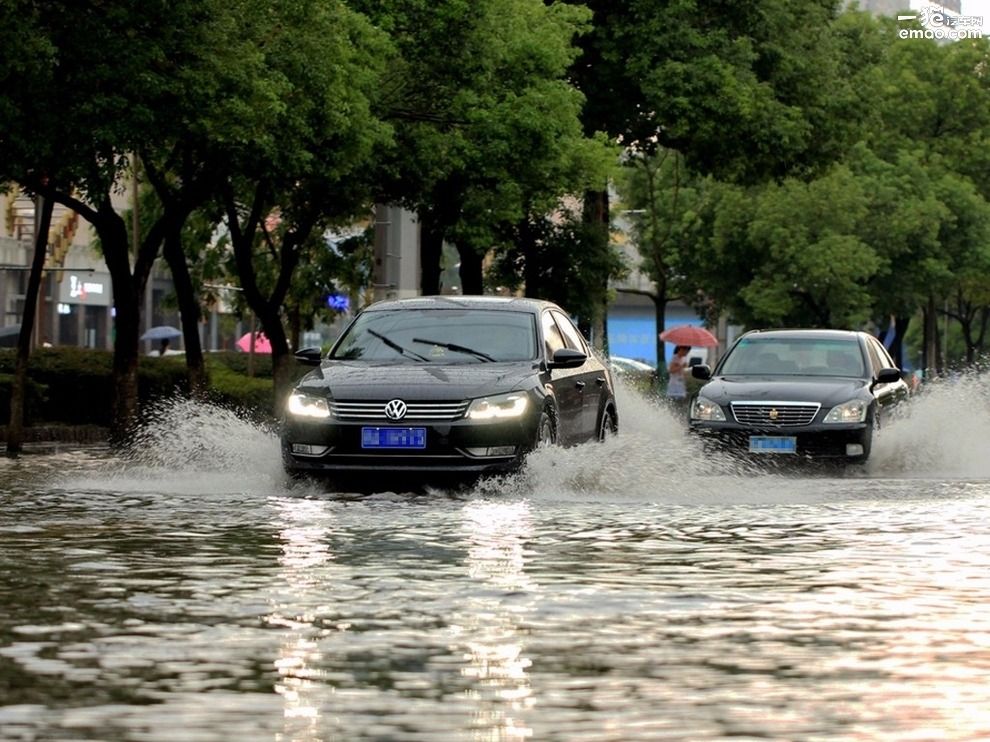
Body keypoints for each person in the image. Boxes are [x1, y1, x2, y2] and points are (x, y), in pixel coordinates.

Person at [666, 344, 691, 415]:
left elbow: (684, 371)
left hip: (681, 385)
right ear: (681, 349)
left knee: (680, 406)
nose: (687, 353)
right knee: (673, 405)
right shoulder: (675, 358)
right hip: (674, 386)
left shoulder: (684, 359)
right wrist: (681, 366)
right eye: (686, 351)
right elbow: (671, 370)